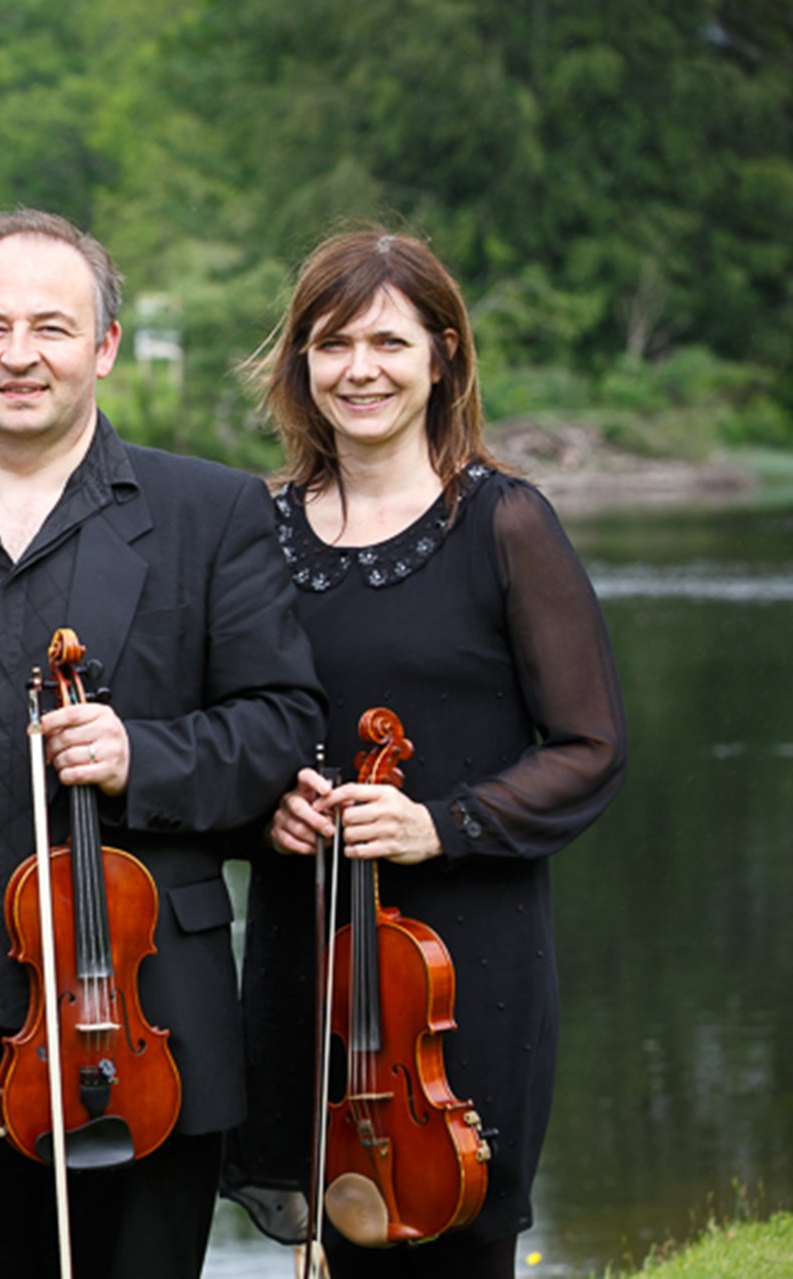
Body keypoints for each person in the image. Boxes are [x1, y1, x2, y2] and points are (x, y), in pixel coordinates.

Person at [0, 208, 326, 1278]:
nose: (20, 353)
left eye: (53, 325)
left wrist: (144, 756)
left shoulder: (213, 512)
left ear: (104, 347)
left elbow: (282, 725)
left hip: (141, 1039)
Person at [221, 228, 629, 1278]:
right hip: (307, 947)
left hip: (465, 960)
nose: (361, 369)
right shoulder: (256, 534)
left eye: (390, 343)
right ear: (301, 363)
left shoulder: (504, 524)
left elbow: (589, 747)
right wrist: (263, 809)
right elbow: (231, 731)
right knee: (348, 1234)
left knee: (462, 1239)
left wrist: (437, 821)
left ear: (443, 355)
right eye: (333, 343)